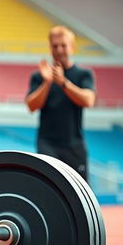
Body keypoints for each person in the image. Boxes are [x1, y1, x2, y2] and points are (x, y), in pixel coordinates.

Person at [25, 26, 96, 182]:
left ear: (72, 47)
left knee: (79, 193)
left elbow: (88, 100)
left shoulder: (83, 74)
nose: (59, 50)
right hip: (47, 143)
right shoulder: (39, 76)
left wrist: (63, 82)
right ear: (50, 47)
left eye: (63, 45)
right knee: (49, 187)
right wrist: (48, 82)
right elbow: (31, 105)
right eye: (55, 46)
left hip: (74, 145)